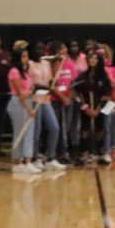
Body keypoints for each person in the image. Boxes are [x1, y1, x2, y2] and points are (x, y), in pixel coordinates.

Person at [27, 43, 66, 171]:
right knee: (36, 130)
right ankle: (35, 158)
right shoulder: (29, 64)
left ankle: (50, 157)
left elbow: (50, 81)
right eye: (37, 48)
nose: (40, 51)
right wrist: (44, 87)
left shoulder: (45, 63)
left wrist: (52, 82)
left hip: (45, 100)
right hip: (34, 100)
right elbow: (32, 85)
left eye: (42, 49)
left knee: (54, 127)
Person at [75, 50, 112, 165]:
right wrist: (85, 107)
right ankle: (83, 154)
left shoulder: (103, 77)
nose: (93, 60)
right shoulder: (82, 76)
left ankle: (100, 153)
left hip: (99, 108)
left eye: (95, 58)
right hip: (86, 108)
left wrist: (98, 109)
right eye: (91, 57)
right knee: (84, 130)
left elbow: (107, 94)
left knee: (99, 130)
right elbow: (77, 93)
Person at [7, 47, 40, 173]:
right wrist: (31, 92)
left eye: (27, 56)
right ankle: (17, 162)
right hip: (18, 103)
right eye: (23, 56)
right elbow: (21, 95)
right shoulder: (14, 71)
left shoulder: (26, 72)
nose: (25, 59)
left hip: (28, 102)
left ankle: (28, 161)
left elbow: (29, 91)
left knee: (29, 133)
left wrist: (31, 92)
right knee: (19, 133)